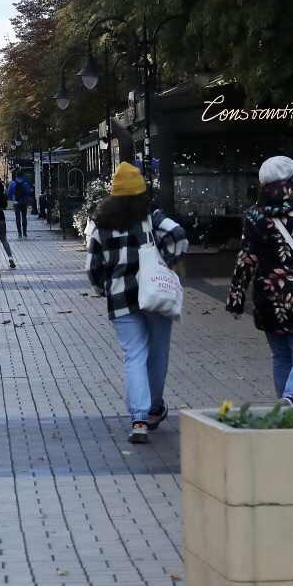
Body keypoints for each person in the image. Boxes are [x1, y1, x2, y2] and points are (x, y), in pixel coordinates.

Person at [87, 162, 186, 444]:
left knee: (134, 356)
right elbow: (177, 235)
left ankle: (139, 419)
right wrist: (168, 261)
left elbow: (94, 268)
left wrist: (102, 290)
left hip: (121, 298)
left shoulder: (101, 225)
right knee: (157, 355)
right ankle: (154, 409)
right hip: (155, 294)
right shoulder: (151, 217)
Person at [226, 155, 293, 403]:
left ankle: (286, 409)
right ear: (289, 180)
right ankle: (291, 398)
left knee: (280, 356)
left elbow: (247, 257)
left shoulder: (253, 215)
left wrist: (236, 298)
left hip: (267, 294)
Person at [7, 173, 32, 238]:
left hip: (16, 202)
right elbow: (29, 192)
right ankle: (25, 233)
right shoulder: (25, 183)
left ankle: (19, 233)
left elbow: (9, 192)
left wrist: (12, 199)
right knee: (24, 217)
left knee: (17, 218)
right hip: (24, 202)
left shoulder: (12, 183)